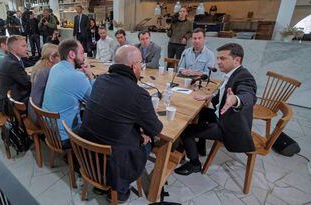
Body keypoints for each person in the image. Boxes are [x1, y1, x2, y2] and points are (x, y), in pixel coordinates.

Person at [77, 45, 163, 202]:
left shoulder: (100, 80)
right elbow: (157, 128)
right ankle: (121, 188)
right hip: (113, 158)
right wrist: (142, 135)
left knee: (123, 127)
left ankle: (101, 181)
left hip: (88, 153)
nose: (141, 67)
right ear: (133, 66)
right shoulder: (139, 94)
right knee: (151, 140)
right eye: (141, 64)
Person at [174, 43, 257, 175]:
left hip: (230, 127)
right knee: (199, 112)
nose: (218, 62)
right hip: (222, 116)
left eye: (223, 59)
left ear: (237, 60)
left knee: (186, 130)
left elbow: (248, 95)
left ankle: (194, 163)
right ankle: (200, 146)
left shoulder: (244, 77)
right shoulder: (232, 73)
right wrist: (210, 95)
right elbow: (223, 92)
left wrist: (235, 99)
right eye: (218, 58)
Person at [42, 39, 94, 145]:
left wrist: (77, 74)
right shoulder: (77, 77)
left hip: (49, 129)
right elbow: (94, 100)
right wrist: (90, 75)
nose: (83, 56)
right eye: (81, 52)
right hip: (65, 135)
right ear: (71, 54)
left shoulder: (55, 68)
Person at [0, 35, 31, 114]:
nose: (27, 48)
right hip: (11, 105)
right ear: (14, 48)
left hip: (9, 99)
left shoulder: (9, 58)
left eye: (26, 45)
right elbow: (28, 84)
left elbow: (24, 79)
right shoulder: (12, 64)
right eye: (23, 46)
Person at [28, 44, 61, 124]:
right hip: (39, 116)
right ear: (51, 58)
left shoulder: (39, 66)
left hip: (32, 110)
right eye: (60, 56)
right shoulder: (48, 72)